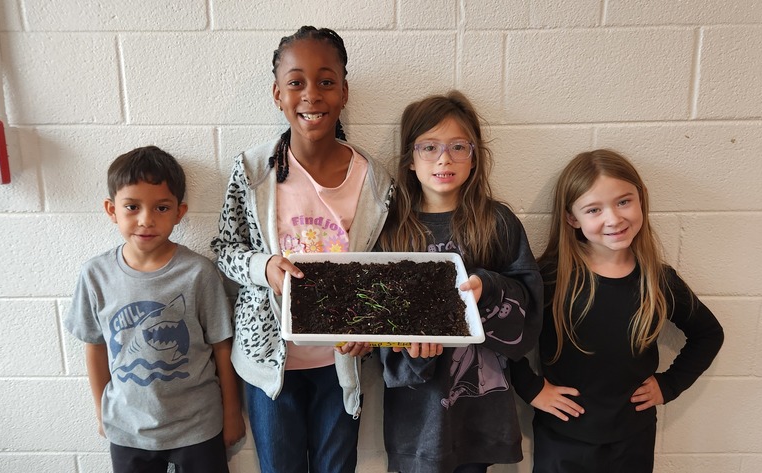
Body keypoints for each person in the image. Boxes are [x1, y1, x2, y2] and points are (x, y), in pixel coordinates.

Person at [210, 26, 394, 473]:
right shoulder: (253, 169)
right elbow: (223, 248)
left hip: (342, 364)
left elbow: (384, 269)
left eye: (326, 81)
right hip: (270, 364)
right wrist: (264, 266)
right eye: (296, 82)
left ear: (344, 91)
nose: (311, 95)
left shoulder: (374, 180)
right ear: (278, 94)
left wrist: (370, 329)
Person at [508, 149, 725, 473]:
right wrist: (531, 388)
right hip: (563, 439)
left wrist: (669, 385)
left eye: (624, 201)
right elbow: (502, 339)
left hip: (632, 439)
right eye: (594, 209)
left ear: (641, 199)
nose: (614, 218)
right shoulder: (549, 278)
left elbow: (709, 334)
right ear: (572, 218)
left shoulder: (657, 280)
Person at [375, 91, 542, 473]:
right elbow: (378, 326)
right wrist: (407, 349)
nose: (444, 159)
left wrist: (488, 288)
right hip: (417, 420)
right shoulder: (392, 232)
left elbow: (530, 306)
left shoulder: (497, 222)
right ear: (410, 160)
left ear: (475, 156)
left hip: (480, 417)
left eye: (458, 147)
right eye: (429, 147)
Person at [65, 146, 245, 472]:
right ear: (111, 209)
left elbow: (222, 347)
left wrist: (232, 414)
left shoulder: (199, 273)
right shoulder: (96, 274)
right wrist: (100, 410)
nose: (146, 220)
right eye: (132, 207)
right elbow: (94, 347)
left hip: (198, 425)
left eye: (161, 207)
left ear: (180, 211)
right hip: (128, 428)